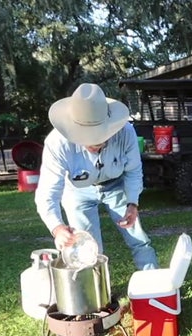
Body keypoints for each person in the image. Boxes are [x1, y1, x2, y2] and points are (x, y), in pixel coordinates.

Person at [35, 83, 159, 270]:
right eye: (87, 136)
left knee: (138, 239)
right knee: (87, 250)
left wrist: (133, 203)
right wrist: (57, 228)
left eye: (101, 135)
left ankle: (153, 283)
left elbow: (133, 171)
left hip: (116, 185)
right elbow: (47, 192)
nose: (95, 142)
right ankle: (97, 295)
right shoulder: (57, 143)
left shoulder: (126, 132)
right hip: (77, 191)